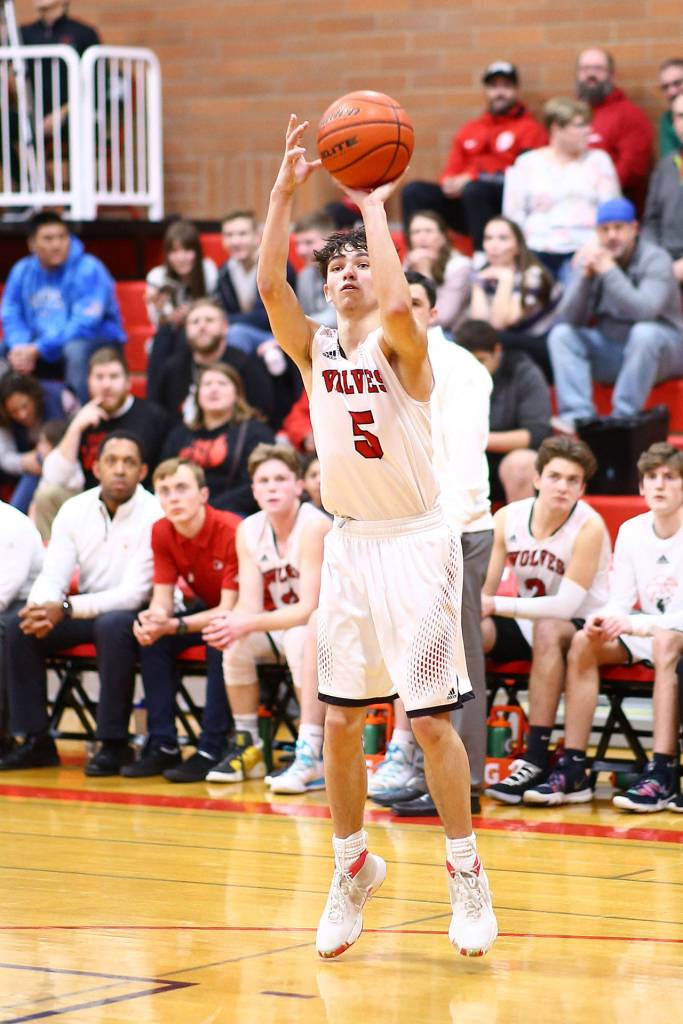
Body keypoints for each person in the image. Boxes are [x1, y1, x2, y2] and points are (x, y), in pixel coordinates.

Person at [257, 115, 497, 959]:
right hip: (354, 544)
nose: (349, 273)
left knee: (430, 725)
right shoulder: (316, 348)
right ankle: (350, 865)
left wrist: (371, 211)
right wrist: (285, 192)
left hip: (420, 543)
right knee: (339, 722)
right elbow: (270, 293)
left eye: (359, 261)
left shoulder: (408, 350)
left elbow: (398, 299)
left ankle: (465, 872)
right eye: (338, 266)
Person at [369, 273, 494, 818]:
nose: (404, 312)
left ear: (434, 312)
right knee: (426, 659)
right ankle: (427, 771)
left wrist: (443, 533)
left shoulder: (461, 370)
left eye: (414, 303)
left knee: (459, 658)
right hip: (410, 530)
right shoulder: (384, 364)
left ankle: (465, 784)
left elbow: (464, 465)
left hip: (456, 530)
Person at [522, 442, 683, 810]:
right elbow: (621, 601)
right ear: (640, 488)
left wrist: (632, 624)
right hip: (648, 629)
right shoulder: (631, 530)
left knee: (665, 642)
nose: (659, 485)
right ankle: (574, 766)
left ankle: (662, 771)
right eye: (651, 478)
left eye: (670, 477)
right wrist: (602, 619)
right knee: (583, 641)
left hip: (672, 634)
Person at [0, 432, 163, 777]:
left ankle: (113, 744)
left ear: (143, 471)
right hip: (84, 608)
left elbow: (134, 593)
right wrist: (40, 608)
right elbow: (52, 573)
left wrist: (66, 609)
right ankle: (34, 740)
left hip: (137, 614)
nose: (119, 470)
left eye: (129, 462)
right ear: (95, 467)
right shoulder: (75, 509)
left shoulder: (155, 513)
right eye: (111, 461)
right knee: (18, 625)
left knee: (113, 624)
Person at [480, 436, 611, 804]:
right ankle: (457, 746)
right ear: (537, 479)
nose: (562, 486)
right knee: (470, 628)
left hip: (583, 626)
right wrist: (482, 606)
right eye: (555, 476)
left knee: (549, 628)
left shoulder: (589, 525)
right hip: (527, 618)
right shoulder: (508, 517)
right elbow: (483, 595)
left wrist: (496, 605)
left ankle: (535, 755)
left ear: (582, 488)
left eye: (573, 480)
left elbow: (566, 606)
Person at [202, 444, 331, 790]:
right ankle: (248, 745)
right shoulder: (248, 530)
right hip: (277, 626)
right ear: (254, 490)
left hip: (324, 632)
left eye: (280, 479)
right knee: (236, 642)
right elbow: (249, 605)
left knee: (299, 637)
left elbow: (308, 608)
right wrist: (232, 624)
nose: (272, 487)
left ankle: (313, 753)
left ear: (298, 486)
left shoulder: (315, 526)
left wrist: (245, 621)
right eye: (263, 481)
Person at [126, 458, 240, 781]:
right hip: (210, 609)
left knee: (219, 636)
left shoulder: (231, 529)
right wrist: (153, 619)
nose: (173, 498)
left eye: (181, 488)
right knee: (154, 640)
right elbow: (163, 599)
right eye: (164, 491)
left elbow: (228, 609)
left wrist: (172, 624)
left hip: (246, 614)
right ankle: (163, 744)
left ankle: (211, 747)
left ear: (203, 494)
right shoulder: (161, 530)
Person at [548, 197, 683, 428]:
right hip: (615, 349)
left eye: (619, 228)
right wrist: (584, 277)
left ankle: (622, 418)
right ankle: (579, 418)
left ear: (634, 229)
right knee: (562, 335)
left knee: (644, 333)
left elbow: (644, 311)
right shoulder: (595, 260)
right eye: (604, 229)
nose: (611, 236)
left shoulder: (655, 259)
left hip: (666, 351)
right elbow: (569, 318)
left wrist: (609, 271)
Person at [401, 61, 546, 251]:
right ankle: (416, 255)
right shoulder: (470, 129)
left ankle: (482, 258)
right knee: (414, 191)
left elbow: (526, 176)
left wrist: (472, 177)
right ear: (486, 91)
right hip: (465, 203)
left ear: (516, 90)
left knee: (475, 189)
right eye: (494, 87)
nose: (499, 92)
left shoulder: (531, 129)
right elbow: (451, 170)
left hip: (501, 203)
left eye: (506, 86)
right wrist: (449, 182)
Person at [32, 346, 169, 536]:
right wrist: (76, 427)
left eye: (113, 377)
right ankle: (55, 561)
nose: (106, 385)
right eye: (99, 377)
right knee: (47, 496)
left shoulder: (154, 417)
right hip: (91, 505)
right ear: (88, 382)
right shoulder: (81, 420)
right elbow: (55, 477)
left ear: (128, 382)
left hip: (140, 504)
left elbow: (165, 472)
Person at [1, 211, 126, 403]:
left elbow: (83, 324)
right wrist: (21, 345)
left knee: (74, 350)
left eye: (62, 237)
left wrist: (38, 348)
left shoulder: (89, 268)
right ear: (32, 244)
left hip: (93, 343)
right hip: (41, 348)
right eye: (48, 239)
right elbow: (11, 312)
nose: (57, 244)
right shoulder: (22, 270)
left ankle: (78, 420)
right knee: (5, 350)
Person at [503, 97, 620, 283]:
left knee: (573, 295)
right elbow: (513, 216)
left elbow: (612, 213)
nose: (588, 131)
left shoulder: (598, 160)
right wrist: (522, 254)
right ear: (556, 128)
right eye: (580, 126)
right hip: (536, 248)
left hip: (584, 247)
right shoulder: (527, 163)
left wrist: (595, 245)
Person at [162, 363, 275, 517]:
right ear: (197, 395)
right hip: (183, 511)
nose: (214, 389)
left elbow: (257, 484)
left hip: (235, 513)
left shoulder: (255, 433)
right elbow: (164, 475)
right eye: (207, 384)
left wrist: (207, 508)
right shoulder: (180, 434)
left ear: (237, 394)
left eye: (222, 383)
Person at [457, 319, 551, 503]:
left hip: (507, 459)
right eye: (468, 361)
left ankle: (519, 529)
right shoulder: (453, 375)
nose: (474, 368)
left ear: (497, 351)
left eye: (481, 360)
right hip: (465, 459)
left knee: (520, 464)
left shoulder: (525, 373)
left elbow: (537, 434)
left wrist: (478, 439)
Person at [153, 298, 282, 428]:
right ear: (186, 330)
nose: (202, 326)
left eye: (209, 320)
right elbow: (161, 415)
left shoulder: (247, 366)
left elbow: (263, 414)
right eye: (195, 322)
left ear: (225, 327)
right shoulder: (172, 369)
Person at [468, 216, 559, 378]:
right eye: (488, 238)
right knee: (471, 340)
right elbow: (479, 324)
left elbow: (500, 323)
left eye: (503, 238)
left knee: (499, 340)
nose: (494, 245)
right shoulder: (483, 272)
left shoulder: (533, 275)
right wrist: (478, 284)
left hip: (546, 349)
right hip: (509, 346)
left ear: (518, 246)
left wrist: (506, 279)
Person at [215, 209, 296, 371]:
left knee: (235, 334)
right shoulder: (224, 271)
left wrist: (222, 323)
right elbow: (221, 311)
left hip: (280, 335)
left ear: (257, 237)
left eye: (242, 234)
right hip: (239, 332)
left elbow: (266, 316)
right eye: (229, 235)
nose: (235, 241)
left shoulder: (277, 265)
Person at [145, 220, 219, 396]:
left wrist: (191, 313)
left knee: (183, 338)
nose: (181, 257)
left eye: (187, 250)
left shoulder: (208, 270)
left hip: (199, 332)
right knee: (162, 336)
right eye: (174, 251)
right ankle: (153, 402)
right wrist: (161, 310)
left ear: (197, 252)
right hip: (168, 332)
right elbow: (157, 323)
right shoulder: (156, 276)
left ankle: (176, 401)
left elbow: (215, 309)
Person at [574, 48, 654, 212]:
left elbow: (632, 171)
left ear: (612, 74)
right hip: (570, 204)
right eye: (585, 69)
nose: (590, 75)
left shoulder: (630, 115)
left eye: (598, 69)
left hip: (614, 210)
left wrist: (586, 190)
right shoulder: (571, 113)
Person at [19, 2, 100, 146]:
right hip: (31, 112)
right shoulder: (21, 34)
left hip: (71, 111)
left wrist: (62, 113)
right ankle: (19, 169)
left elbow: (97, 84)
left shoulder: (84, 33)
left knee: (79, 121)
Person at [0, 501, 44, 754]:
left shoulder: (11, 525)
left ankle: (4, 735)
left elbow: (4, 592)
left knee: (5, 627)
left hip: (25, 603)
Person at [0, 373, 71, 512]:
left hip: (67, 467)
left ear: (34, 396)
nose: (22, 414)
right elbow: (4, 456)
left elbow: (81, 433)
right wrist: (24, 461)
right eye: (14, 411)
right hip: (29, 469)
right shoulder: (3, 418)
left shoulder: (61, 397)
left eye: (25, 406)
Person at [404, 211, 471, 334]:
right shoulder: (410, 261)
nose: (422, 237)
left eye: (428, 231)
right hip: (412, 329)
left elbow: (444, 317)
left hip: (449, 334)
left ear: (443, 237)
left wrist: (424, 271)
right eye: (416, 232)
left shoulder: (460, 266)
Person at [642, 92, 683, 285]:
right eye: (680, 116)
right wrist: (657, 260)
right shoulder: (666, 166)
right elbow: (651, 221)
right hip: (666, 264)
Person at [293, 210, 337, 328]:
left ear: (331, 240)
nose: (301, 251)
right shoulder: (305, 275)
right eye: (298, 244)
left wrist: (296, 326)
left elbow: (336, 318)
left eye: (309, 242)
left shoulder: (345, 272)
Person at [656, 58, 683, 159]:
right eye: (665, 87)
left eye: (677, 83)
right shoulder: (667, 120)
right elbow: (671, 161)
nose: (672, 91)